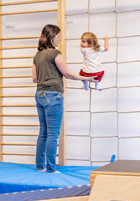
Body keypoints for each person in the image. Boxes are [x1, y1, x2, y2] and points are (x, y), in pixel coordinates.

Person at [32, 24, 94, 173]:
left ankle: (40, 166)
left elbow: (34, 79)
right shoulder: (55, 54)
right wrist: (86, 78)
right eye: (58, 37)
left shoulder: (37, 55)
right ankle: (51, 168)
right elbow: (67, 74)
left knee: (43, 132)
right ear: (52, 37)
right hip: (53, 96)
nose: (59, 40)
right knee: (53, 134)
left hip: (39, 95)